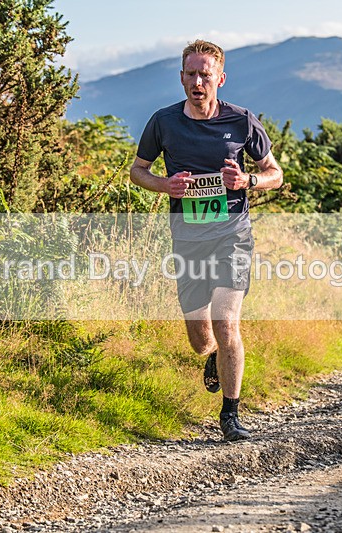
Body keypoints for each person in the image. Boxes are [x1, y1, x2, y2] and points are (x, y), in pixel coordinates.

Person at [129, 40, 283, 441]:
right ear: (182, 78)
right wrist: (166, 185)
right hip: (188, 240)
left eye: (205, 74)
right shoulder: (163, 122)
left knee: (227, 321)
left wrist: (247, 180)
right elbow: (138, 171)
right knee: (200, 338)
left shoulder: (242, 121)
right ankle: (212, 356)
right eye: (191, 74)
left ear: (220, 79)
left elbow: (274, 173)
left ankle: (230, 414)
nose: (198, 82)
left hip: (233, 236)